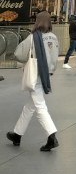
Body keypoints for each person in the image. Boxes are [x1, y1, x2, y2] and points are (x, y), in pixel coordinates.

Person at [7, 11, 59, 152]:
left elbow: (19, 54)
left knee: (40, 107)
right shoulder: (53, 37)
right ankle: (17, 134)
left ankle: (52, 136)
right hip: (46, 74)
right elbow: (54, 58)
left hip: (35, 75)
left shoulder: (33, 37)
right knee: (30, 106)